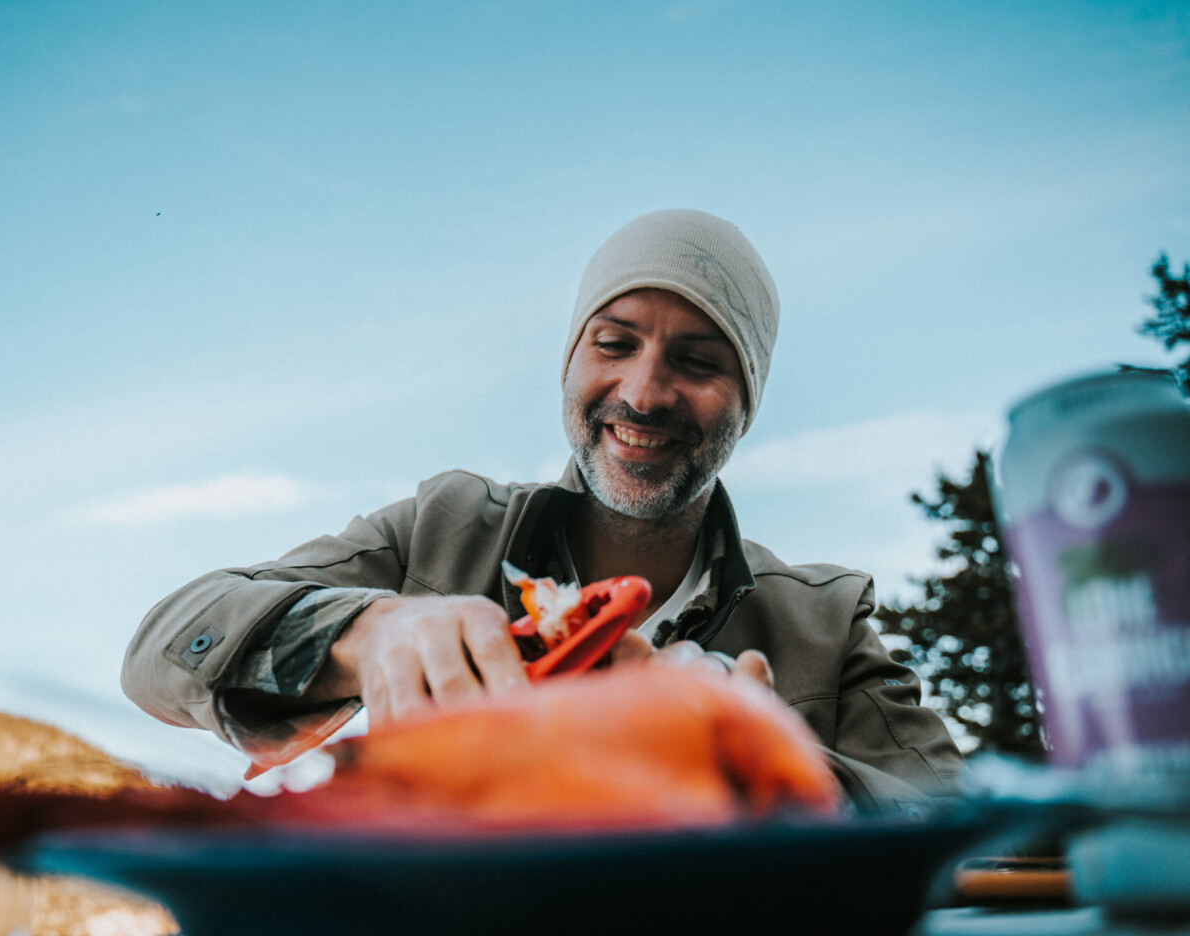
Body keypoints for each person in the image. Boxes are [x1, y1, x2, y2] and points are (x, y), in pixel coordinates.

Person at [122, 209, 965, 813]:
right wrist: (369, 633)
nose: (643, 393)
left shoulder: (825, 618)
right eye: (614, 342)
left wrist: (742, 752)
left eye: (698, 360)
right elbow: (163, 650)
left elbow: (957, 827)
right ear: (568, 361)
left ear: (748, 401)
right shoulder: (440, 531)